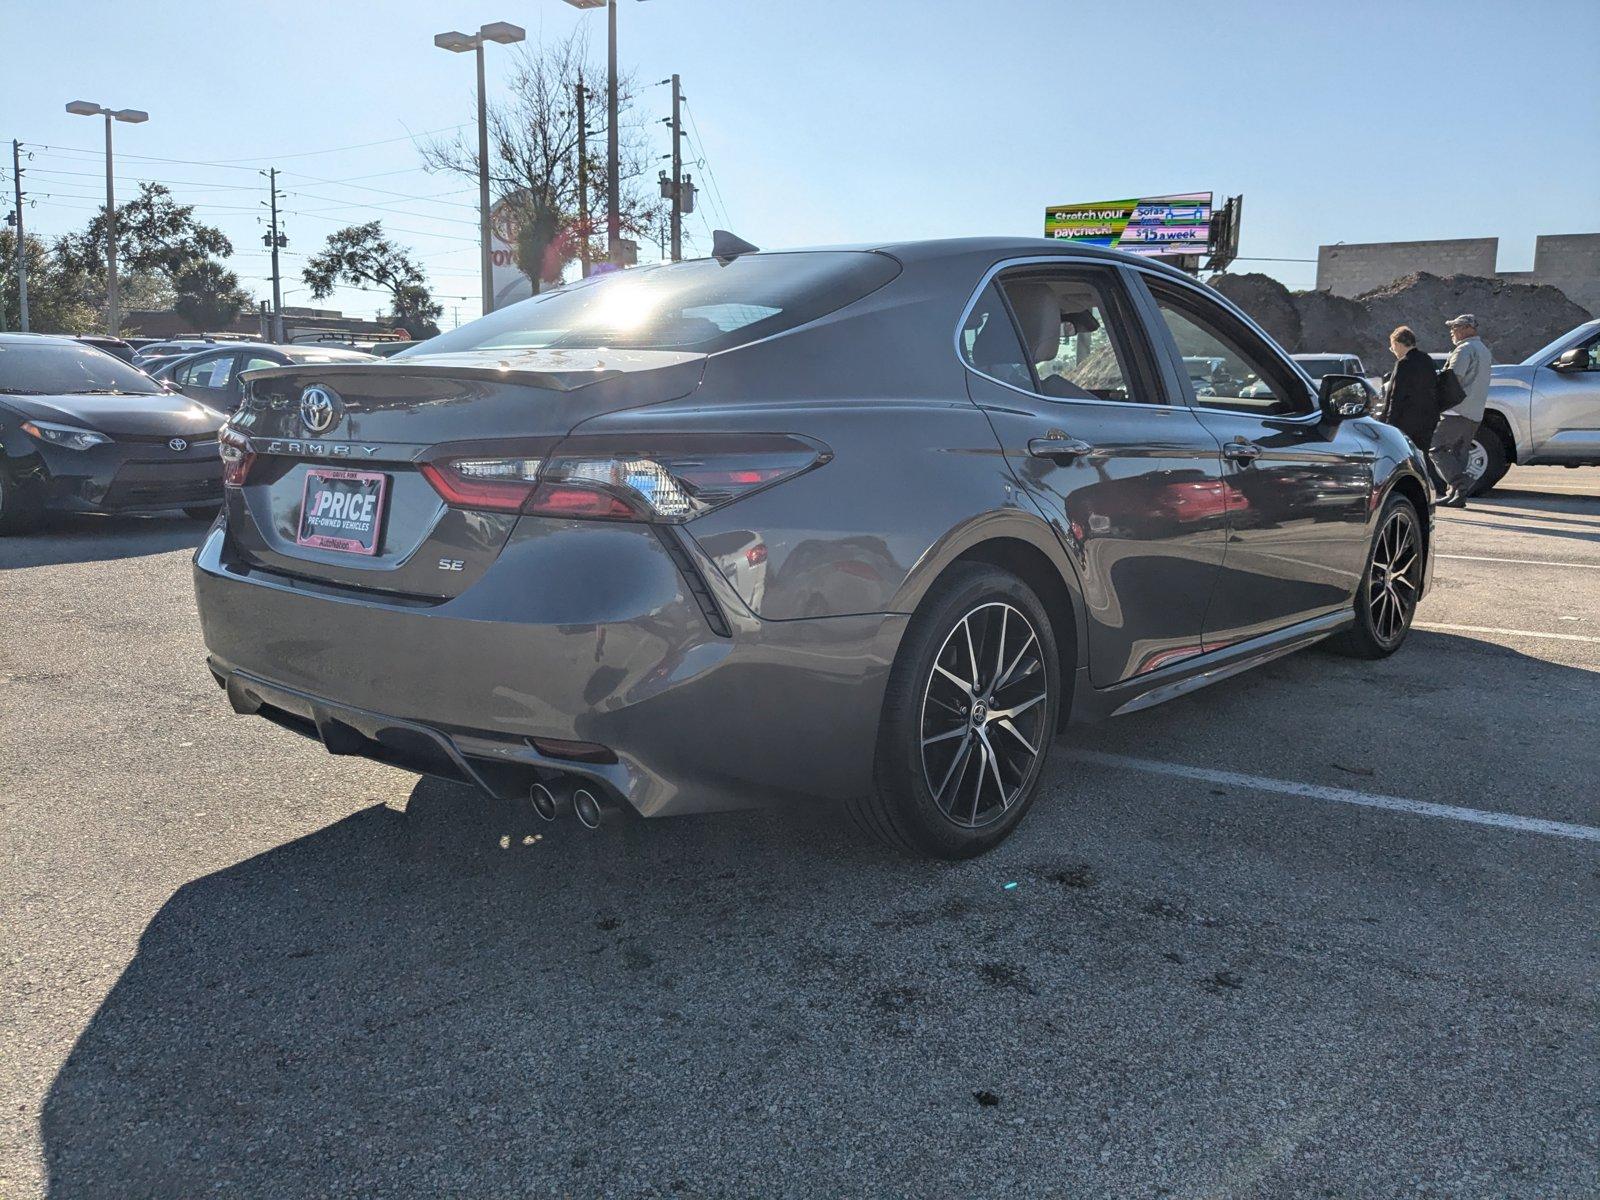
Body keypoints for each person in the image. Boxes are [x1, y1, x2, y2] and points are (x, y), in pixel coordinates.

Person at [1431, 313, 1492, 508]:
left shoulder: (1465, 349)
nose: (1452, 331)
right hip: (1474, 412)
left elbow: (1453, 378)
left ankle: (1461, 483)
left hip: (1456, 410)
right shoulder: (1483, 350)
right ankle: (1456, 496)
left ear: (1467, 329)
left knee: (1436, 447)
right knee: (1459, 453)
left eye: (1455, 327)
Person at [1382, 325, 1440, 451]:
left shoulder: (1403, 363)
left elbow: (1396, 396)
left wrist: (1388, 423)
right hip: (1428, 419)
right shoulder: (1427, 359)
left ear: (1397, 344)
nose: (1393, 351)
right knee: (1423, 456)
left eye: (1392, 347)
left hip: (1407, 422)